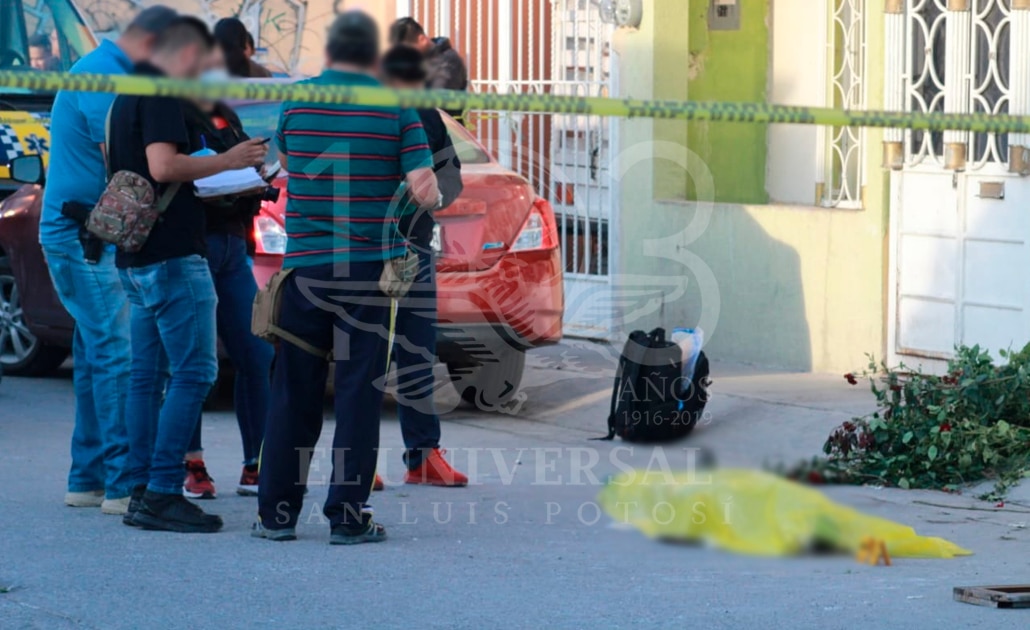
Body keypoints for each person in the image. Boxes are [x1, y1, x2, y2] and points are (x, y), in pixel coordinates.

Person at [254, 10, 439, 544]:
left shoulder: (297, 99)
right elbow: (425, 188)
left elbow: (285, 159)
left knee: (293, 391)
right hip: (367, 276)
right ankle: (346, 517)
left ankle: (276, 515)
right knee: (359, 392)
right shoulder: (396, 106)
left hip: (305, 270)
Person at [109, 16, 268, 533]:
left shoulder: (126, 91)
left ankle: (140, 489)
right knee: (196, 372)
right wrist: (228, 161)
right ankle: (160, 493)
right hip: (172, 253)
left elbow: (122, 164)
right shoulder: (162, 94)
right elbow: (162, 166)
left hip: (138, 253)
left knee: (147, 376)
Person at [39, 5, 178, 516]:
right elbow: (123, 161)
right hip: (85, 236)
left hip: (87, 233)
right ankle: (121, 485)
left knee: (99, 352)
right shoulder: (106, 76)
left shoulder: (111, 70)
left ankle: (89, 478)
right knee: (118, 353)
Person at [179, 45, 274, 500]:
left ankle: (256, 464)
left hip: (234, 247)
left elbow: (236, 166)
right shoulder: (170, 113)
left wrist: (256, 170)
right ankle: (190, 463)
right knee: (195, 365)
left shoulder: (224, 116)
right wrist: (227, 166)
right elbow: (170, 172)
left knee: (257, 356)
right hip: (193, 246)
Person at [377, 45, 466, 488]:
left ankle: (422, 455)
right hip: (362, 252)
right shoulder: (361, 113)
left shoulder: (425, 117)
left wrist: (428, 192)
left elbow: (453, 180)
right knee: (360, 354)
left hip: (414, 250)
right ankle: (355, 458)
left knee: (416, 351)